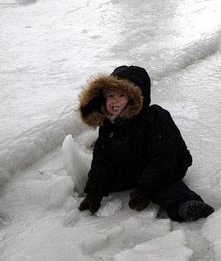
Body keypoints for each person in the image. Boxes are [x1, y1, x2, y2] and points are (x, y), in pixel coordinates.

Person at [77, 65, 213, 222]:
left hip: (168, 164)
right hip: (134, 166)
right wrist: (94, 193)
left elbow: (165, 158)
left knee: (165, 186)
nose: (115, 101)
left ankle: (186, 205)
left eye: (121, 95)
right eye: (110, 96)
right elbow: (102, 160)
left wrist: (145, 189)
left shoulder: (154, 118)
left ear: (134, 98)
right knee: (107, 177)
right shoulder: (109, 125)